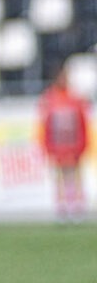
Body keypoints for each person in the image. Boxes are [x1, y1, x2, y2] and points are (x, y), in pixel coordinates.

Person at [37, 64, 89, 222]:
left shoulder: (75, 99)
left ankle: (76, 205)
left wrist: (83, 143)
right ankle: (62, 206)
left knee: (75, 174)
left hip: (73, 143)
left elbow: (82, 122)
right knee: (59, 175)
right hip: (57, 144)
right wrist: (46, 146)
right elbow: (45, 125)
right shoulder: (50, 99)